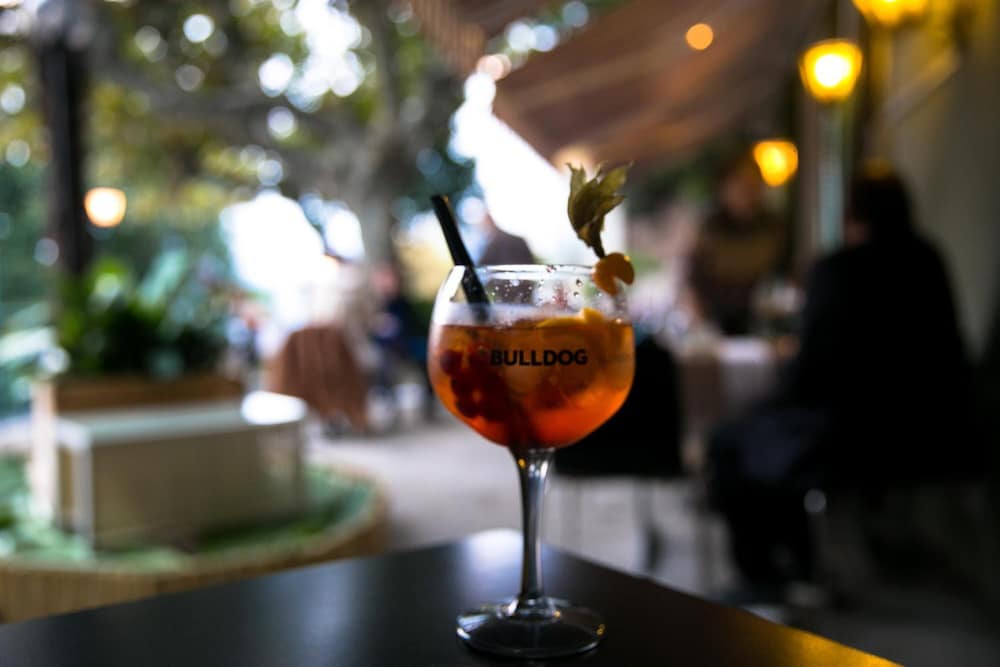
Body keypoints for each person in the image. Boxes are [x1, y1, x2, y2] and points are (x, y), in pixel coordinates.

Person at [707, 161, 976, 596]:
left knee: (734, 441)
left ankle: (771, 573)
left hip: (854, 435)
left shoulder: (838, 270)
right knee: (765, 434)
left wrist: (768, 401)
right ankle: (802, 562)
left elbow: (809, 374)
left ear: (853, 215)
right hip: (939, 431)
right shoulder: (930, 260)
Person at [688, 156, 787, 335]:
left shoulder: (774, 228)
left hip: (766, 325)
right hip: (716, 326)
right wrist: (702, 327)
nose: (748, 191)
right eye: (741, 184)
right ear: (724, 188)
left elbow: (786, 275)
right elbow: (692, 280)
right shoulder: (709, 229)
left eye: (754, 184)